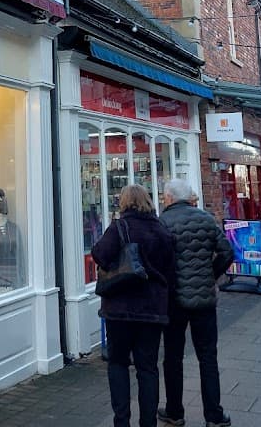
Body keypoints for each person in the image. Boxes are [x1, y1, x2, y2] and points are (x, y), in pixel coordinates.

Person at [91, 185, 175, 427]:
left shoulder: (120, 227)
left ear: (125, 203)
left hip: (120, 309)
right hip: (153, 310)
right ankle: (148, 422)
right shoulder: (161, 228)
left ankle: (122, 421)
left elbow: (99, 254)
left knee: (118, 364)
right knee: (147, 368)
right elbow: (170, 268)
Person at [157, 179, 233, 427]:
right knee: (208, 357)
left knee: (173, 357)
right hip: (204, 300)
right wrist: (211, 274)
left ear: (169, 198)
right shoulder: (205, 218)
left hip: (174, 301)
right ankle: (214, 415)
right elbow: (227, 251)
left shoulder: (163, 222)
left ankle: (174, 412)